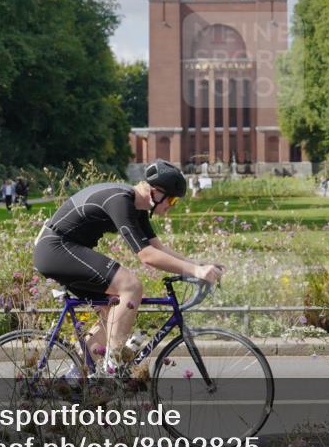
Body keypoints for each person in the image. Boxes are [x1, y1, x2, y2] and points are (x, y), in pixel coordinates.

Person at [33, 160, 222, 376]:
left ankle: (78, 377)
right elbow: (147, 256)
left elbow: (158, 248)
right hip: (55, 248)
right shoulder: (121, 201)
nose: (172, 205)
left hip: (62, 248)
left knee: (112, 308)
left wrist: (199, 266)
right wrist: (195, 272)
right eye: (171, 199)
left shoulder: (138, 207)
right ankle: (112, 365)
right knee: (130, 286)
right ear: (156, 192)